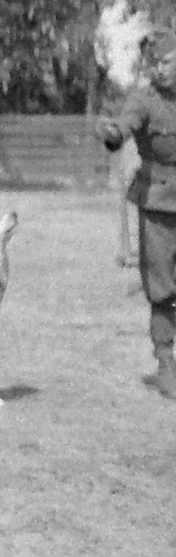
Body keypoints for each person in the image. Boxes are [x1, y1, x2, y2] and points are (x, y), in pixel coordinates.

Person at [97, 25, 176, 400]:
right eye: (154, 64)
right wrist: (113, 134)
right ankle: (166, 363)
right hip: (159, 203)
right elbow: (123, 127)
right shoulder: (144, 101)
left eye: (167, 61)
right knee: (162, 289)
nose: (160, 69)